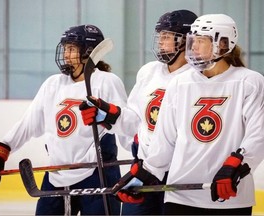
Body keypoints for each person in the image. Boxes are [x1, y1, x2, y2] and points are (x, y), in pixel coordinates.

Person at [111, 14, 264, 215]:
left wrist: (237, 167)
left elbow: (258, 135)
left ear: (224, 43)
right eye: (193, 41)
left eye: (201, 41)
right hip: (180, 196)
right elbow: (165, 140)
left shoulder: (249, 82)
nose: (194, 48)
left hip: (229, 196)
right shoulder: (180, 83)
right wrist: (145, 173)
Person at [0, 24, 129, 215]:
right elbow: (28, 123)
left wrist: (142, 158)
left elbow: (125, 124)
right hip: (56, 174)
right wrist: (3, 147)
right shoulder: (53, 84)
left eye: (72, 48)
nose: (66, 54)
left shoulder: (107, 81)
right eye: (65, 48)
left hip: (98, 173)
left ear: (88, 52)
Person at [80, 9, 197, 215]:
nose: (160, 42)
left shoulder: (197, 78)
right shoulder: (149, 72)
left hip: (181, 172)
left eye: (167, 36)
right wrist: (108, 113)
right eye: (160, 36)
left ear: (187, 41)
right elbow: (135, 120)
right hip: (142, 170)